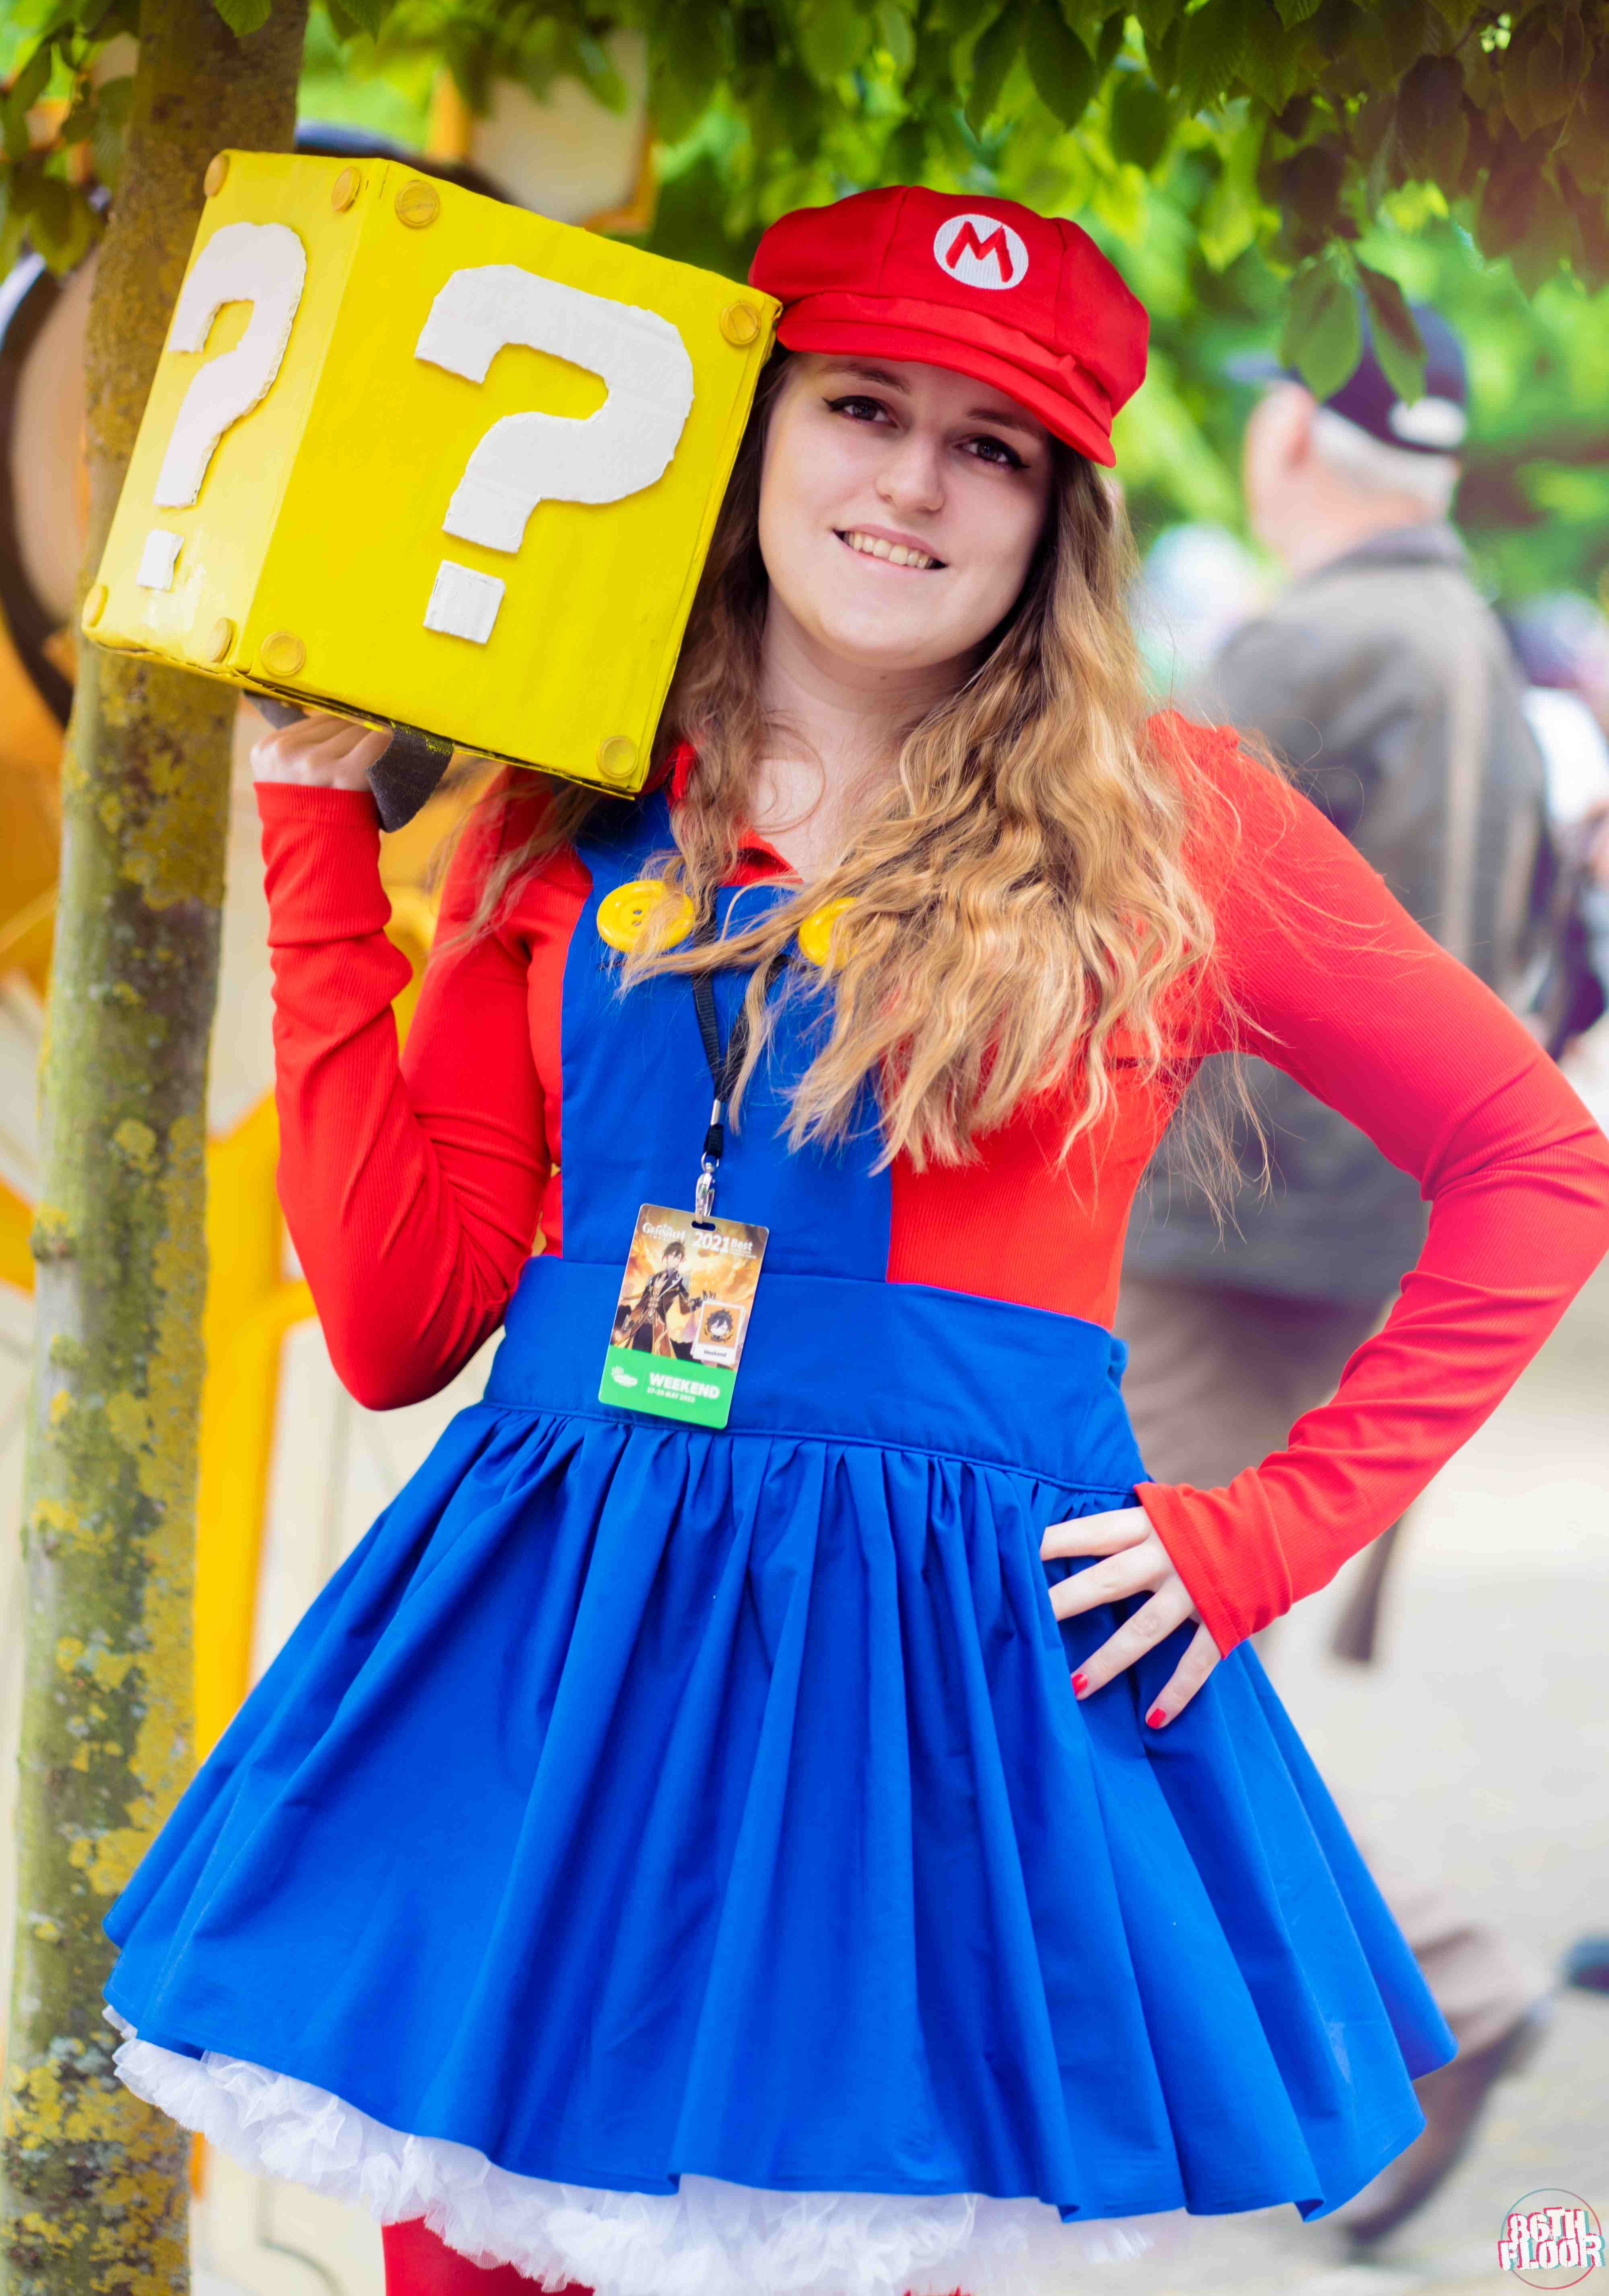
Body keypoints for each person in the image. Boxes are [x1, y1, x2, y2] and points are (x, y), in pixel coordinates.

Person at [99, 191, 1609, 2296]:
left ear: (1058, 512)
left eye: (988, 444)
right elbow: (391, 1317)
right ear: (758, 436)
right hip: (551, 1654)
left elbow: (1540, 1163)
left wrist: (1263, 1532)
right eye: (863, 407)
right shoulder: (575, 802)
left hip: (930, 1705)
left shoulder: (1180, 822)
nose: (912, 481)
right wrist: (313, 831)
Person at [1119, 307, 1567, 2247]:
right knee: (1131, 1654)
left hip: (1227, 1250)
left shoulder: (1314, 643)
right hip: (1349, 1245)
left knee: (1098, 1652)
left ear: (1295, 440)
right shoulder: (1470, 636)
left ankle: (1440, 1989)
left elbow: (1107, 887)